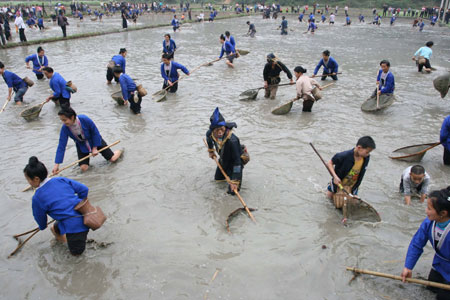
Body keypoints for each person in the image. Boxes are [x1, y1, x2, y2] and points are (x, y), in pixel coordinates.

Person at [24, 156, 90, 256]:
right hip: (86, 216)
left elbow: (40, 218)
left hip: (75, 227)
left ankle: (73, 245)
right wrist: (80, 204)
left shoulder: (37, 197)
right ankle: (71, 242)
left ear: (36, 179)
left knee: (76, 256)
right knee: (55, 229)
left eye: (28, 179)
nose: (28, 182)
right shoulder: (60, 180)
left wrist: (42, 226)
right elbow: (84, 189)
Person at [401, 186, 450, 300]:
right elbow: (417, 244)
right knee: (430, 290)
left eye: (429, 208)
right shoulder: (429, 222)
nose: (426, 211)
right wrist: (408, 266)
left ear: (443, 213)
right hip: (438, 265)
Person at [53, 107, 122, 173]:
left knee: (113, 159)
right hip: (81, 144)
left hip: (95, 140)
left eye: (65, 120)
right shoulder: (65, 128)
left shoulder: (84, 119)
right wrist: (57, 165)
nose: (63, 122)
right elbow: (61, 146)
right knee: (84, 168)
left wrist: (95, 148)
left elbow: (95, 133)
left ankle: (119, 151)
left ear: (72, 117)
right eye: (62, 120)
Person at [326, 136, 376, 208]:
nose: (368, 154)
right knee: (328, 199)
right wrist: (335, 177)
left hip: (352, 186)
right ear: (359, 148)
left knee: (353, 204)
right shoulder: (344, 155)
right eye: (367, 152)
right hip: (338, 183)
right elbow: (329, 163)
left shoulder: (366, 158)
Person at [206, 107, 246, 195]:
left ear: (225, 128)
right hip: (223, 158)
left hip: (235, 162)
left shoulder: (232, 140)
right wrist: (211, 151)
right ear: (213, 130)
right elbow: (208, 138)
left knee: (232, 192)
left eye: (222, 129)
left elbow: (237, 162)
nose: (220, 132)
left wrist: (234, 181)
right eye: (217, 130)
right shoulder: (210, 133)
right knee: (218, 180)